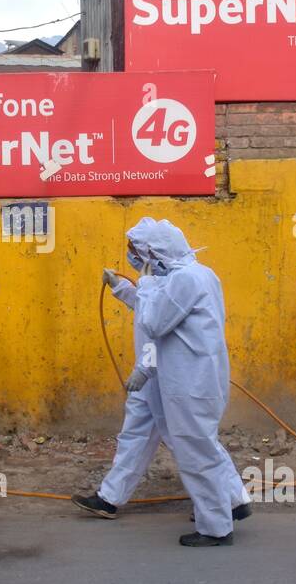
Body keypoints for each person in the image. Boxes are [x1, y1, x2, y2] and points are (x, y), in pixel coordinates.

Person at [73, 219, 250, 541]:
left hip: (188, 383)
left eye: (138, 253)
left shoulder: (184, 279)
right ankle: (229, 504)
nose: (134, 260)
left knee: (197, 453)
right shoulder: (188, 277)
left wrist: (144, 284)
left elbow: (154, 322)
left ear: (154, 252)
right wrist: (124, 289)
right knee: (183, 444)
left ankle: (216, 526)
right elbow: (159, 319)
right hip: (174, 378)